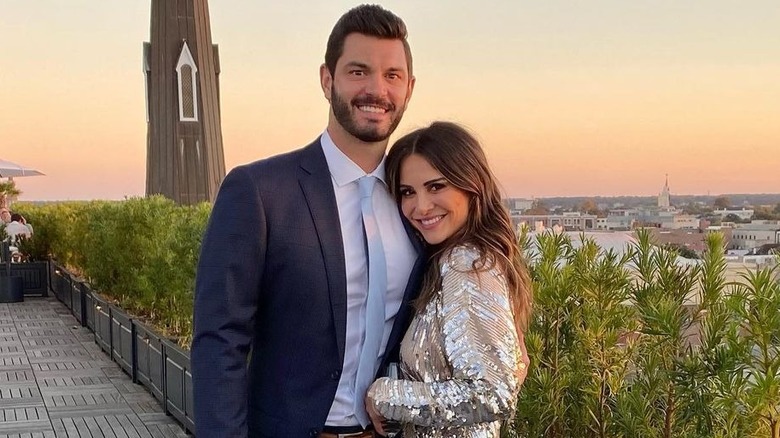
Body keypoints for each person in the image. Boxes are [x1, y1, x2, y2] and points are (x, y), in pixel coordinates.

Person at [191, 5, 424, 437]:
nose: (377, 89)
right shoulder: (259, 191)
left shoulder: (418, 203)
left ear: (409, 88)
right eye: (359, 71)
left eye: (392, 75)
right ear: (326, 79)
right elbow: (219, 340)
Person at [366, 122, 532, 437]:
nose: (421, 206)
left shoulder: (468, 263)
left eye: (436, 186)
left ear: (472, 185)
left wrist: (384, 395)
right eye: (407, 192)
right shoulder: (448, 261)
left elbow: (493, 392)